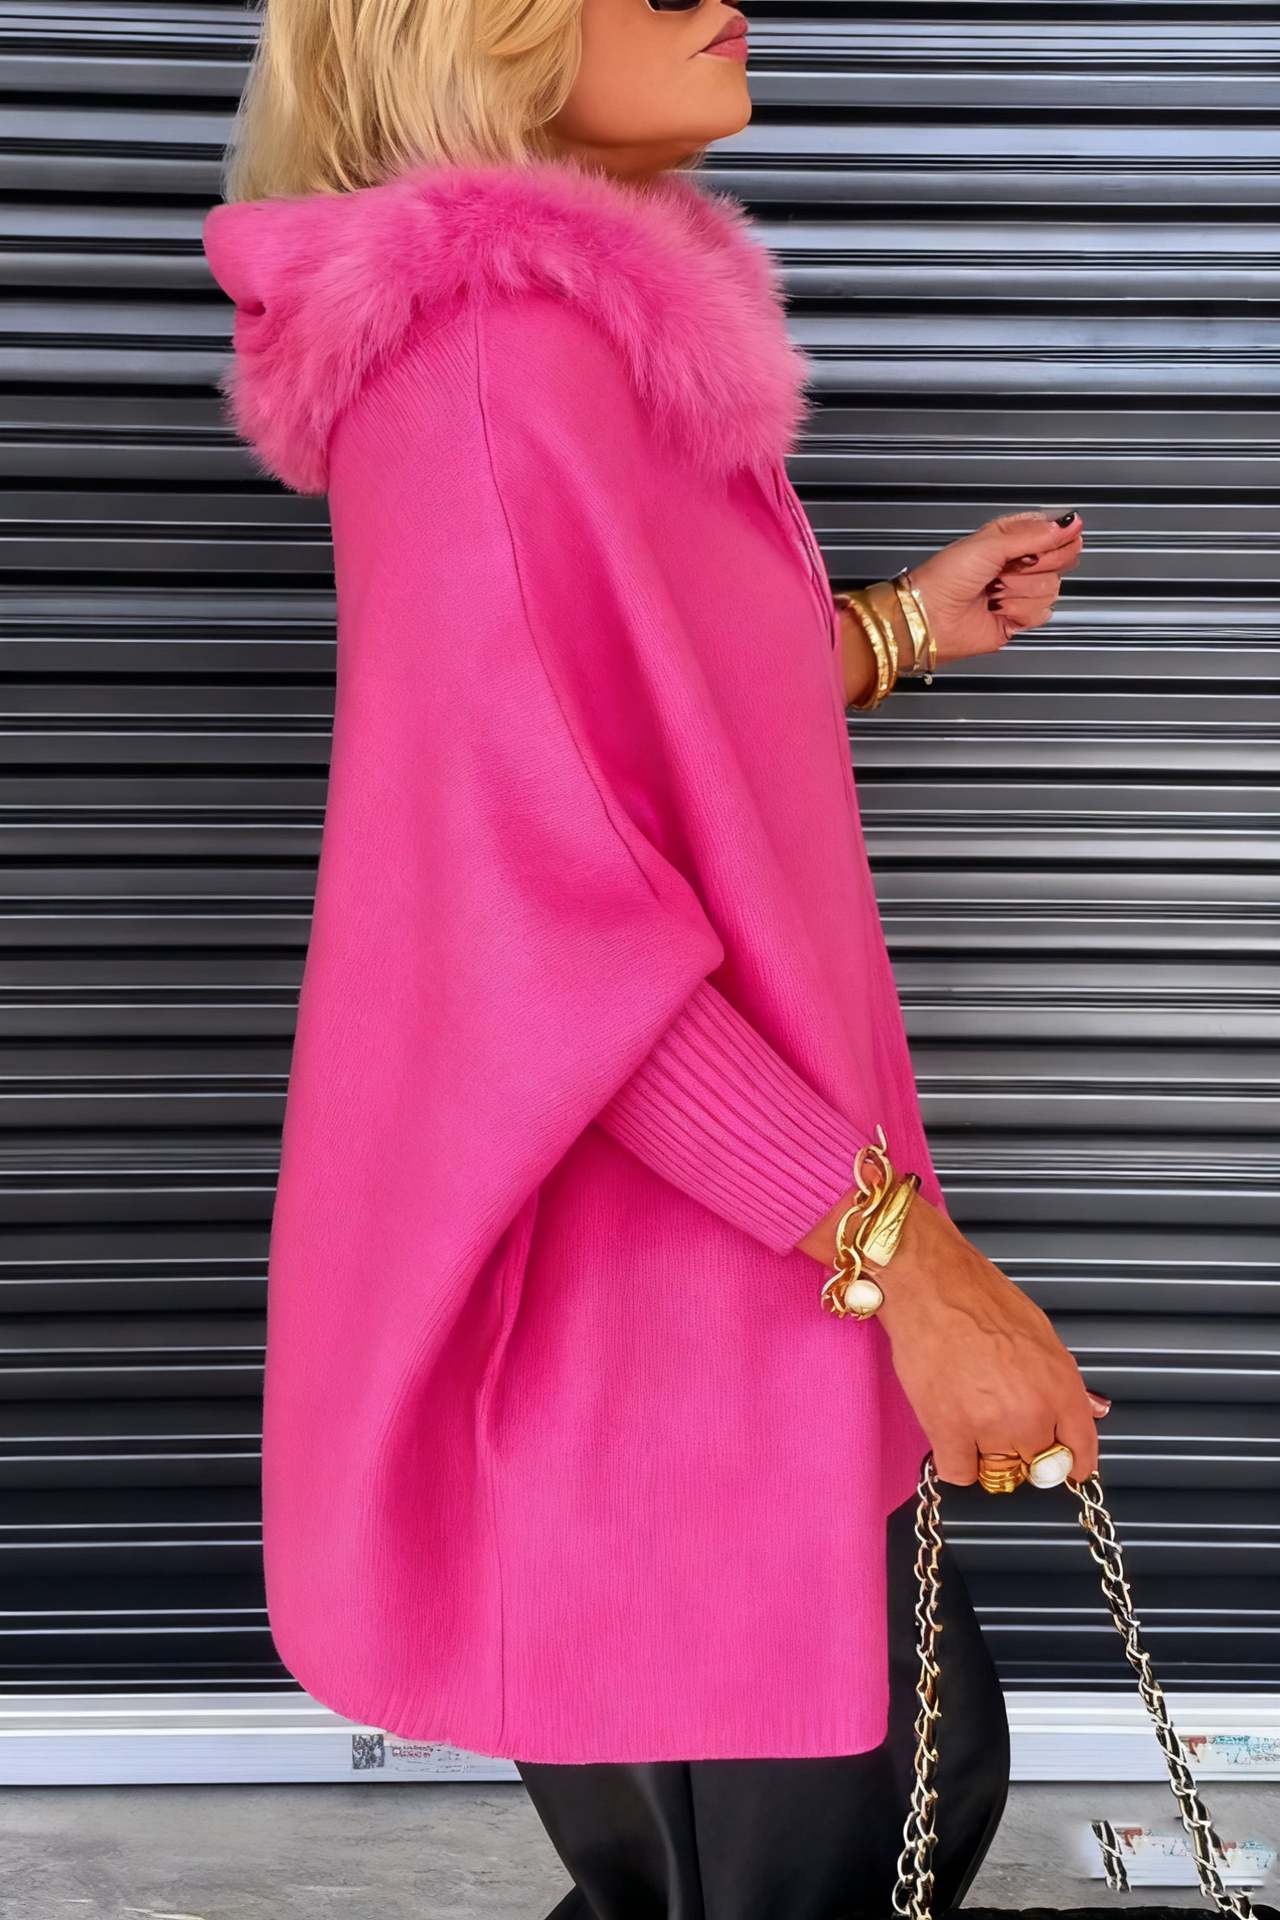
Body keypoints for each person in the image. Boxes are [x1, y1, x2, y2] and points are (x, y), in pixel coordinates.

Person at [202, 0, 1110, 1911]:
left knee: (842, 1818)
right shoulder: (488, 370)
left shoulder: (581, 354)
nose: (721, 0)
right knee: (827, 1838)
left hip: (737, 1287)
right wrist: (914, 1271)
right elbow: (537, 938)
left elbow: (638, 715)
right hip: (653, 1334)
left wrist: (894, 629)